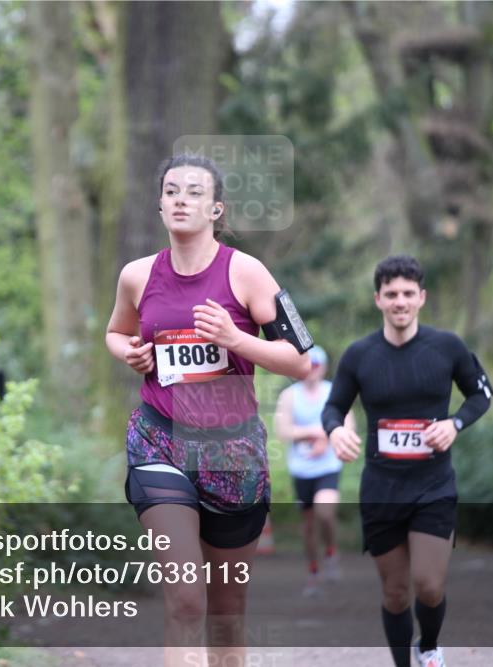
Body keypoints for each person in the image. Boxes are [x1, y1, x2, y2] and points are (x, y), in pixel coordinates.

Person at [105, 154, 311, 667]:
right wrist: (130, 352)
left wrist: (236, 339)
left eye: (194, 192)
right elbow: (115, 332)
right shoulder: (137, 275)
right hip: (159, 441)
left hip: (232, 454)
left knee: (225, 611)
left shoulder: (247, 272)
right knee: (186, 598)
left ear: (216, 208)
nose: (181, 200)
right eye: (172, 191)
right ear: (159, 204)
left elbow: (300, 359)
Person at [321, 255, 493, 667]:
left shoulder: (447, 347)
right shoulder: (359, 355)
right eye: (392, 294)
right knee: (396, 592)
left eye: (408, 293)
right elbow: (333, 407)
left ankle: (429, 646)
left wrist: (454, 424)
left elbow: (481, 394)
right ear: (378, 299)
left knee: (429, 585)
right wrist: (336, 431)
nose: (400, 301)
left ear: (422, 298)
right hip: (382, 489)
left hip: (434, 485)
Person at [273, 345, 353, 596]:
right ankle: (314, 571)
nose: (312, 370)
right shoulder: (289, 395)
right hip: (301, 469)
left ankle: (331, 551)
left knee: (324, 512)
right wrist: (316, 433)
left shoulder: (335, 392)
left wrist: (327, 440)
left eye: (316, 365)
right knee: (308, 526)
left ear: (324, 367)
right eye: (308, 365)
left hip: (328, 466)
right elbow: (283, 431)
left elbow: (348, 427)